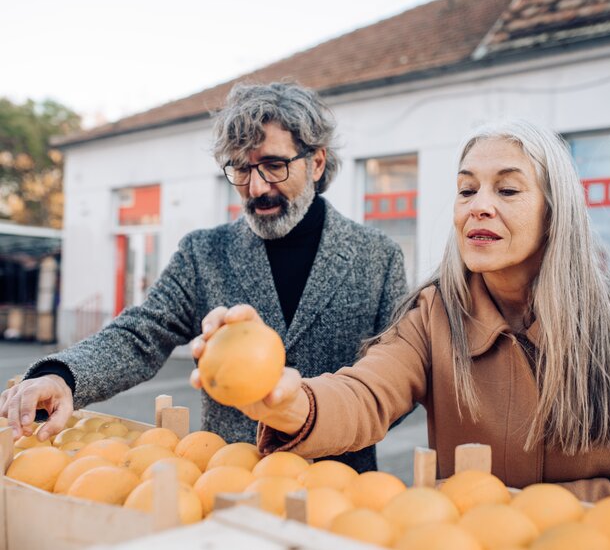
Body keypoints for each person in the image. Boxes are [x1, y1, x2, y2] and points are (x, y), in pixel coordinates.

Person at [193, 119, 610, 518]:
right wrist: (287, 403)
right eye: (466, 190)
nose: (478, 207)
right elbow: (365, 394)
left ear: (555, 212)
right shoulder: (434, 314)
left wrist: (499, 511)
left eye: (507, 190)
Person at [0, 82, 407, 473]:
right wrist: (64, 375)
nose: (257, 186)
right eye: (241, 170)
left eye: (274, 165)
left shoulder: (379, 256)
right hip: (226, 482)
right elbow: (140, 333)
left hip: (342, 490)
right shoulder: (203, 252)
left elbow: (396, 386)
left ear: (316, 162)